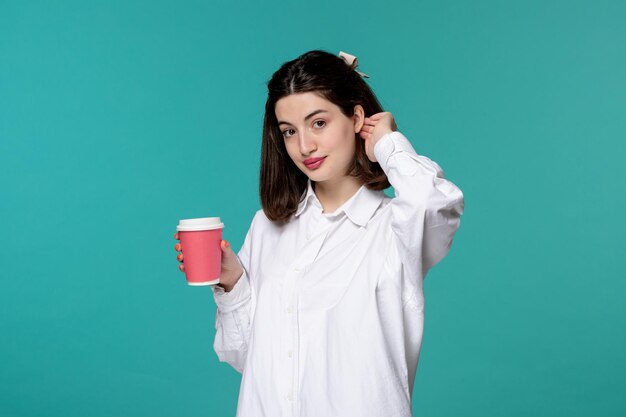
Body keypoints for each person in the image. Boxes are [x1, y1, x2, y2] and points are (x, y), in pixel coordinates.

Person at [174, 49, 464, 417]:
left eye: (319, 123)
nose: (304, 146)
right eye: (289, 132)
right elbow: (248, 358)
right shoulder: (267, 227)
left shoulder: (395, 228)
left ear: (356, 117)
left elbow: (434, 201)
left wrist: (388, 143)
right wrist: (233, 284)